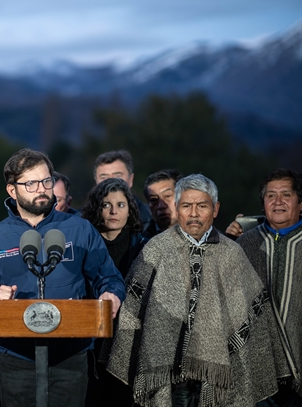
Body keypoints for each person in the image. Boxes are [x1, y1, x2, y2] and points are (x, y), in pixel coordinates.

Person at [0, 148, 126, 407]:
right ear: (12, 190)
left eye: (46, 181)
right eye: (30, 183)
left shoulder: (79, 229)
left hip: (70, 358)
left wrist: (111, 294)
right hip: (15, 360)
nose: (41, 188)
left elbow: (109, 279)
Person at [106, 174, 283, 406]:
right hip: (165, 375)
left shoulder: (232, 253)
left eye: (202, 206)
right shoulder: (156, 249)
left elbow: (251, 314)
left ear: (216, 209)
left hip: (218, 374)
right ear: (177, 208)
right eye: (187, 206)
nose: (194, 213)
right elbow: (133, 307)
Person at [236, 168, 302, 406]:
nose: (278, 202)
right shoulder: (246, 244)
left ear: (300, 203)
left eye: (286, 194)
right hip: (258, 367)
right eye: (270, 195)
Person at [81, 178, 147, 407]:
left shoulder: (144, 248)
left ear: (130, 210)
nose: (113, 211)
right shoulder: (84, 245)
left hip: (128, 339)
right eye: (106, 204)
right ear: (96, 208)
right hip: (91, 337)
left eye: (121, 205)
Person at [93, 150, 151, 231]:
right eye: (104, 177)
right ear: (96, 181)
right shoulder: (81, 222)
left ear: (131, 179)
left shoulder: (151, 217)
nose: (111, 182)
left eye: (117, 176)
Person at [142, 169, 182, 238]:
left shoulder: (203, 237)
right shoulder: (140, 245)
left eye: (167, 196)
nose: (161, 206)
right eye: (153, 200)